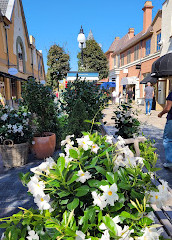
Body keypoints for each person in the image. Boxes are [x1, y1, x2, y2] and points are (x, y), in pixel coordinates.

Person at [158, 91, 172, 168]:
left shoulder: (171, 95)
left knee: (168, 140)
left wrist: (161, 113)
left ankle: (170, 161)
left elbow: (168, 108)